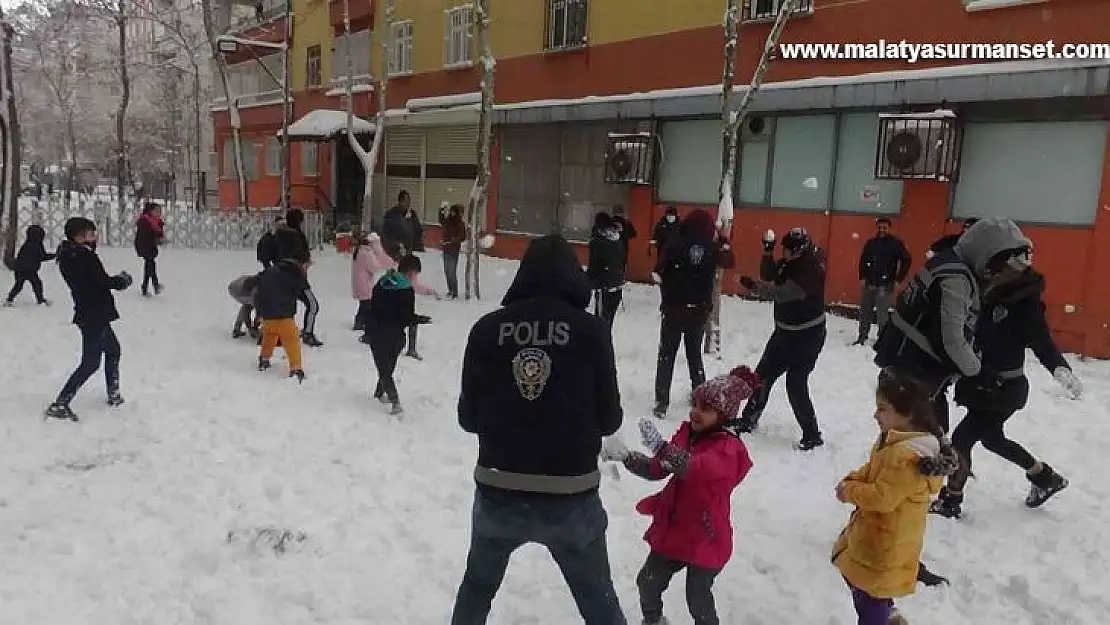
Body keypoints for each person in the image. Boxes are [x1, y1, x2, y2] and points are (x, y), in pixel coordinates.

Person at [450, 234, 625, 625]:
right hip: (571, 494)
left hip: (499, 487)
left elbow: (468, 418)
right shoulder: (591, 331)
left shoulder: (486, 330)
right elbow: (610, 419)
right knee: (598, 599)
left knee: (477, 587)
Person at [603, 367, 758, 625]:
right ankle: (653, 620)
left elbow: (696, 467)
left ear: (723, 415)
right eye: (695, 404)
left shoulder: (729, 450)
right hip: (676, 528)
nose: (696, 411)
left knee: (697, 598)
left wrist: (664, 449)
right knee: (648, 582)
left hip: (707, 535)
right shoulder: (687, 434)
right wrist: (627, 457)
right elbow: (658, 469)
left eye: (706, 408)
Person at [931, 262, 1081, 519]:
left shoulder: (1024, 305)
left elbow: (1042, 341)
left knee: (962, 440)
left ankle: (951, 500)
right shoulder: (984, 292)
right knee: (992, 439)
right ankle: (1044, 476)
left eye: (1003, 268)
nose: (995, 273)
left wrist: (1059, 368)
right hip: (982, 384)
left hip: (1003, 389)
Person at [874, 216, 1033, 433]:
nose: (997, 276)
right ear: (986, 256)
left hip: (906, 368)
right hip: (912, 376)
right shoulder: (956, 280)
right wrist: (980, 374)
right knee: (915, 443)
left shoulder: (948, 262)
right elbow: (952, 339)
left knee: (919, 438)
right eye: (998, 268)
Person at [832, 368, 957, 625]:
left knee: (869, 596)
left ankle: (882, 617)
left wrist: (850, 492)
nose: (875, 414)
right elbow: (874, 469)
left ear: (907, 413)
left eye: (883, 408)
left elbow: (882, 497)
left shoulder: (906, 456)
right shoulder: (894, 441)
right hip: (880, 536)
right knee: (860, 581)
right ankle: (887, 614)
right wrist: (854, 478)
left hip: (885, 542)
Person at [736, 227, 828, 451]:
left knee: (795, 384)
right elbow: (771, 275)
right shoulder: (791, 262)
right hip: (784, 333)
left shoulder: (810, 269)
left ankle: (812, 434)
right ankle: (749, 419)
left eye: (785, 250)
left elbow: (781, 292)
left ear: (797, 251)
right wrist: (767, 252)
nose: (783, 254)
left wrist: (754, 287)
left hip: (807, 336)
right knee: (762, 376)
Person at [44, 217, 133, 421]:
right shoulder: (83, 256)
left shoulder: (70, 255)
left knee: (113, 350)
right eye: (91, 234)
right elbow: (100, 281)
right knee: (91, 363)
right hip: (94, 314)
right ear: (80, 236)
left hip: (91, 312)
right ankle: (60, 403)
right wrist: (121, 281)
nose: (95, 237)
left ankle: (114, 394)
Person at [651, 209, 735, 418]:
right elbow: (729, 260)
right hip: (698, 311)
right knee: (694, 355)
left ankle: (662, 402)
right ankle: (700, 396)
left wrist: (668, 287)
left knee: (666, 355)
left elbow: (657, 271)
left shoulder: (675, 243)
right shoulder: (712, 247)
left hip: (674, 309)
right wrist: (724, 240)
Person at [366, 254, 431, 415]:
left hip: (377, 332)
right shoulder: (406, 289)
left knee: (383, 368)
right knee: (387, 368)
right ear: (411, 271)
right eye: (416, 274)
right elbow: (406, 316)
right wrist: (419, 319)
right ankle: (394, 401)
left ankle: (381, 394)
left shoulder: (381, 283)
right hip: (396, 336)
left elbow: (373, 308)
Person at [255, 229, 309, 382]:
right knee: (292, 341)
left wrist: (260, 313)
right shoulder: (294, 275)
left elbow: (259, 293)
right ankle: (296, 368)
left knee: (269, 336)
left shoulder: (270, 272)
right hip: (284, 316)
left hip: (268, 315)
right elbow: (302, 291)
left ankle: (264, 359)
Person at [855, 217, 911, 345]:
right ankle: (862, 336)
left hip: (885, 285)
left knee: (882, 315)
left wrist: (898, 279)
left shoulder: (895, 244)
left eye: (884, 227)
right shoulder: (871, 243)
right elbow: (863, 261)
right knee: (865, 312)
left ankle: (882, 339)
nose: (882, 230)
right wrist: (862, 277)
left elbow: (906, 260)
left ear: (889, 228)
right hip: (869, 283)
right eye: (880, 227)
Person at [284, 208, 322, 347]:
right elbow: (300, 254)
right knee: (313, 305)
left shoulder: (279, 235)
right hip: (296, 277)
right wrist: (304, 262)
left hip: (282, 277)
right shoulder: (295, 236)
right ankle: (307, 333)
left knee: (284, 306)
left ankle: (278, 332)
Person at [586, 211, 626, 328]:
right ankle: (606, 342)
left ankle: (601, 344)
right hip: (617, 285)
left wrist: (590, 282)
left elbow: (594, 265)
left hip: (603, 287)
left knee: (600, 322)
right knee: (608, 321)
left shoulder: (598, 241)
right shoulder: (618, 239)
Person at [351, 231, 395, 332]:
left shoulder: (359, 251)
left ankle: (360, 322)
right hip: (365, 283)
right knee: (366, 304)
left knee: (364, 304)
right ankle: (360, 322)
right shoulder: (367, 254)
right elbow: (374, 268)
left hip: (359, 282)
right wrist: (380, 263)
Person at [4, 224, 55, 306]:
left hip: (20, 269)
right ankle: (40, 299)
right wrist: (54, 255)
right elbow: (42, 256)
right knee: (37, 285)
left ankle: (9, 299)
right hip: (29, 270)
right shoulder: (37, 245)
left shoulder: (27, 244)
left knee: (18, 286)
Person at [134, 202, 165, 297]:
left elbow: (158, 234)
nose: (159, 213)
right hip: (144, 245)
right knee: (150, 264)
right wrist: (156, 236)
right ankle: (155, 285)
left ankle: (145, 287)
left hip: (150, 246)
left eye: (160, 211)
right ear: (151, 211)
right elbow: (145, 235)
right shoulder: (146, 221)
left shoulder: (155, 221)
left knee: (149, 266)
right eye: (156, 211)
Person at [440, 202, 469, 300]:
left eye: (453, 212)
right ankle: (450, 290)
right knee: (447, 271)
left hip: (454, 251)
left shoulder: (460, 223)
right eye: (451, 212)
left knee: (452, 272)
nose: (452, 214)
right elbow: (441, 220)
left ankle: (454, 292)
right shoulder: (448, 221)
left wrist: (454, 240)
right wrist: (441, 210)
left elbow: (463, 236)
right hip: (446, 249)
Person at [382, 190, 422, 258]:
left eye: (409, 201)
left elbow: (418, 230)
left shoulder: (412, 214)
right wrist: (397, 245)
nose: (408, 204)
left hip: (408, 251)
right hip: (394, 252)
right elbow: (386, 233)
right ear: (399, 201)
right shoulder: (391, 214)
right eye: (405, 201)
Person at [228, 273, 262, 339]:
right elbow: (249, 312)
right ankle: (237, 330)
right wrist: (250, 327)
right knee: (247, 307)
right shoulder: (256, 294)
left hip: (242, 284)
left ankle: (237, 329)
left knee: (249, 305)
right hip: (237, 289)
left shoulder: (262, 288)